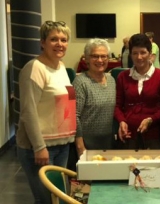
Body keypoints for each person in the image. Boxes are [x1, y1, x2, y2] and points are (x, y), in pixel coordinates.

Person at [16, 21, 75, 204]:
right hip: (41, 148)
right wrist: (39, 147)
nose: (60, 44)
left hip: (62, 145)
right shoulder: (34, 68)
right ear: (42, 42)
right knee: (46, 200)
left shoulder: (61, 67)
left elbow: (68, 102)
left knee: (58, 198)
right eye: (53, 39)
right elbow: (28, 111)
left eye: (64, 40)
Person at [114, 33, 160, 149]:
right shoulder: (122, 77)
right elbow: (118, 105)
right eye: (135, 53)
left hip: (154, 136)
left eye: (143, 52)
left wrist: (151, 120)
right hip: (128, 134)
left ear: (150, 54)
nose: (139, 57)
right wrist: (121, 121)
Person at [73, 38, 116, 155]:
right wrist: (80, 146)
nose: (100, 60)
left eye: (104, 56)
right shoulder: (80, 82)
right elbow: (74, 116)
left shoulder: (111, 80)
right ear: (86, 59)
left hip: (108, 143)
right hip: (86, 144)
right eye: (95, 56)